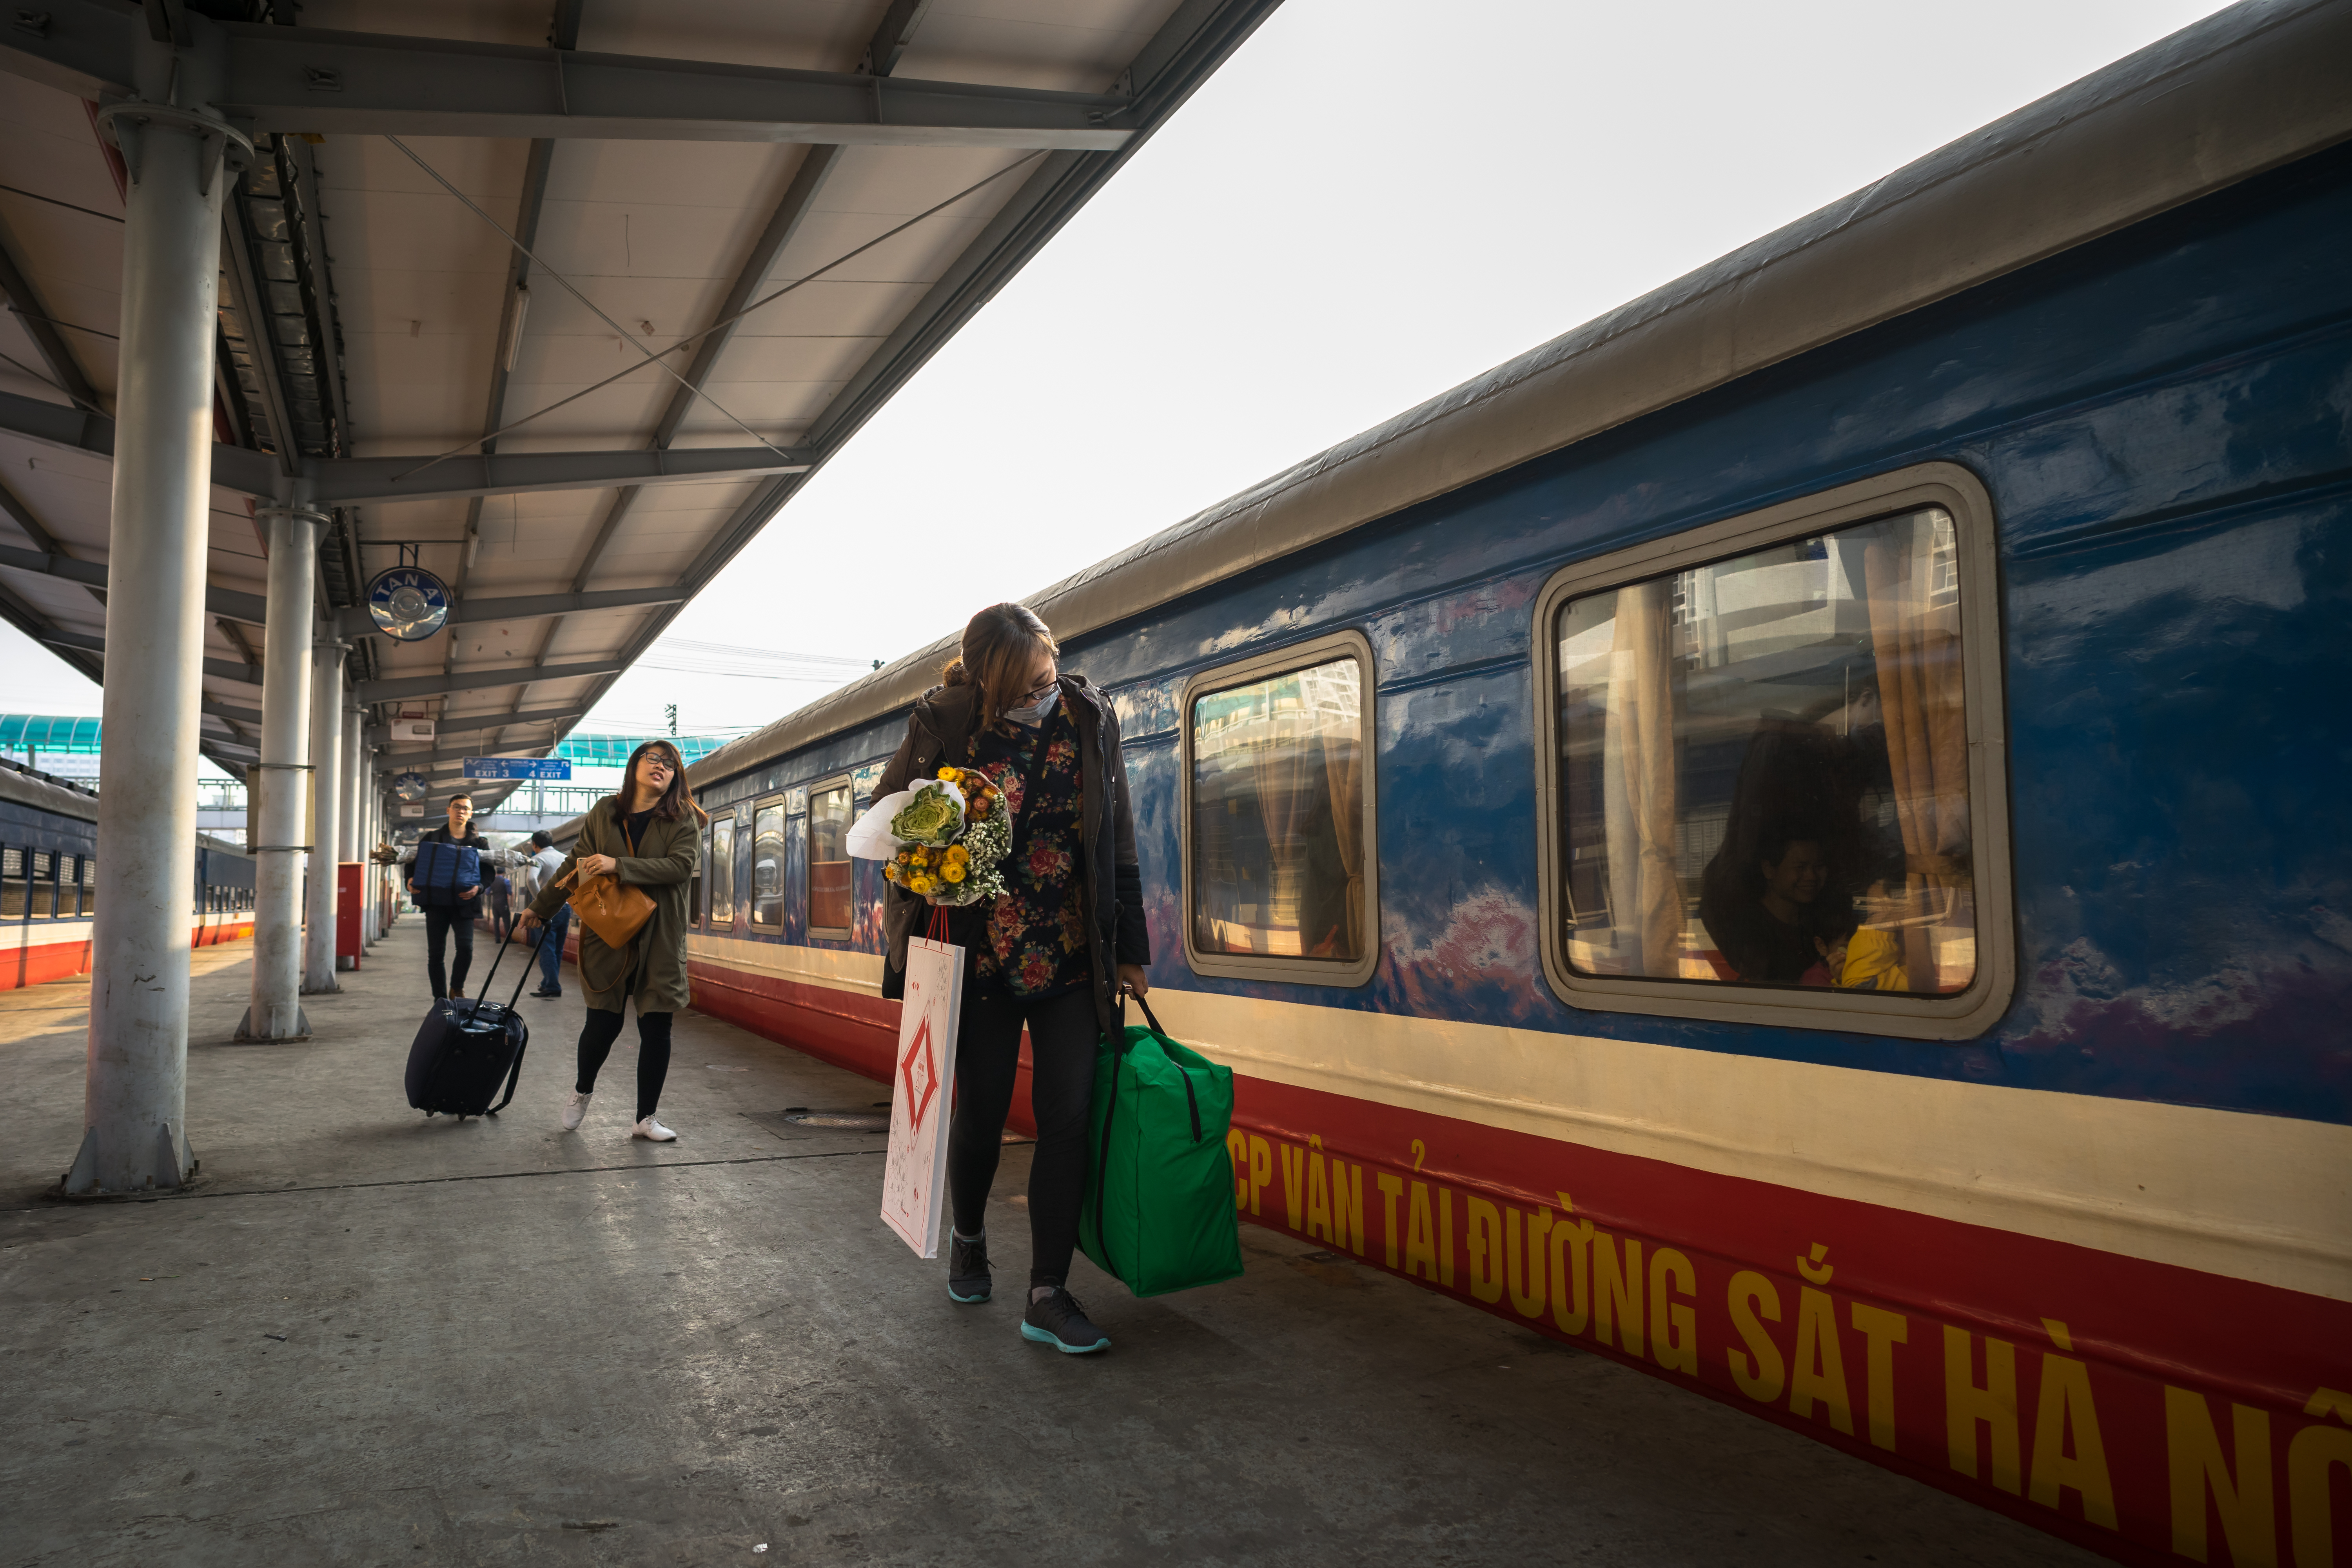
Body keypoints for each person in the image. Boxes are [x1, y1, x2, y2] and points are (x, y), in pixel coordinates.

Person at [876, 602, 1149, 1356]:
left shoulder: (1090, 718)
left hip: (1067, 952)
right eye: (1029, 685)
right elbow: (888, 820)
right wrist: (930, 862)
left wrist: (1132, 950)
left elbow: (1115, 836)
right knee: (984, 1110)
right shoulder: (947, 722)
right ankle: (969, 1238)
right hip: (980, 953)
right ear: (989, 685)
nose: (1046, 692)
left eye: (1050, 673)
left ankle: (1048, 1293)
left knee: (1067, 1117)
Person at [522, 741, 701, 1142]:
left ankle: (646, 1118)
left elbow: (679, 867)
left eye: (670, 764)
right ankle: (583, 1088)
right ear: (634, 764)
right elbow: (576, 865)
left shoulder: (682, 816)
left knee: (658, 1024)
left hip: (660, 935)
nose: (661, 766)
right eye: (653, 758)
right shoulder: (605, 812)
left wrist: (618, 865)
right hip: (609, 932)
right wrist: (542, 906)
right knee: (602, 1022)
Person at [404, 795, 490, 1000]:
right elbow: (412, 862)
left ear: (470, 814)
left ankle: (457, 988)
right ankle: (440, 999)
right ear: (448, 810)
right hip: (436, 903)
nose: (461, 811)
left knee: (466, 948)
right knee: (436, 954)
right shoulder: (431, 838)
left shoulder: (480, 843)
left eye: (465, 809)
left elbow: (488, 873)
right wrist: (410, 879)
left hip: (465, 902)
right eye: (457, 807)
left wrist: (479, 888)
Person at [524, 829, 570, 998]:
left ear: (535, 845)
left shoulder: (537, 859)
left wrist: (541, 902)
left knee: (546, 948)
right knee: (557, 949)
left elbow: (531, 880)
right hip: (566, 908)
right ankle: (548, 983)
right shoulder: (564, 858)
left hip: (548, 911)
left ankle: (552, 985)